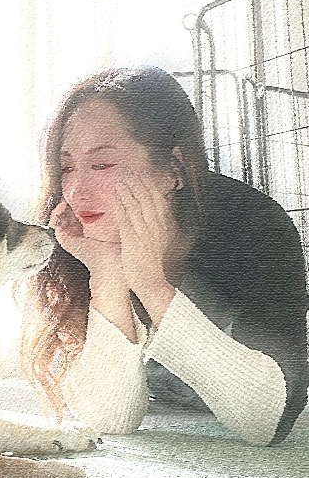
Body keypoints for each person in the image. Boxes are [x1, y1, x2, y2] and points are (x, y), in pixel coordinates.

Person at [19, 67, 308, 446]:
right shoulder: (74, 235)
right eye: (66, 168)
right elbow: (110, 417)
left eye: (102, 165)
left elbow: (269, 420)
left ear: (174, 169)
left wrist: (151, 284)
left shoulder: (255, 225)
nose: (75, 191)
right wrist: (106, 271)